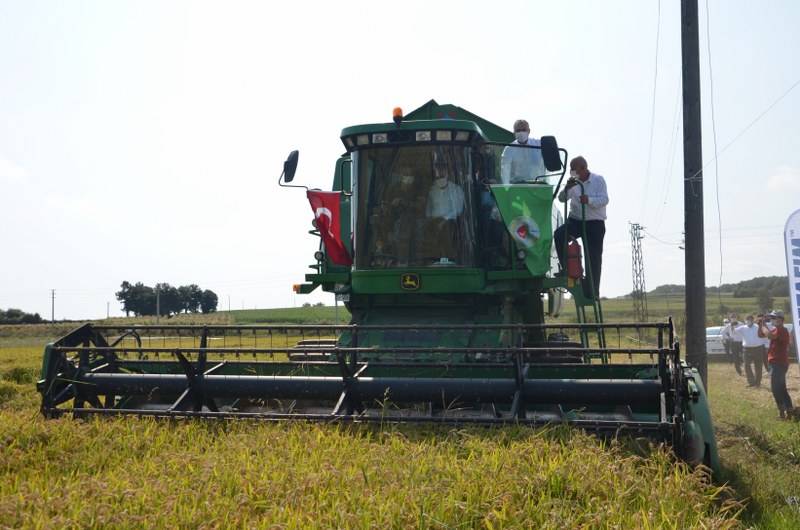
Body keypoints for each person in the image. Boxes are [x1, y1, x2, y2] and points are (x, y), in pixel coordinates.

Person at [554, 156, 608, 298]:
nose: (571, 171)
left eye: (573, 169)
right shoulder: (574, 183)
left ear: (583, 168)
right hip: (576, 221)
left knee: (594, 258)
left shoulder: (598, 180)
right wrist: (566, 188)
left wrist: (589, 200)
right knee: (560, 235)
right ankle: (567, 269)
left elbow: (604, 199)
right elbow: (561, 199)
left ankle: (592, 291)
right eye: (571, 169)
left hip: (594, 223)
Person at [424, 168, 466, 264]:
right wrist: (429, 220)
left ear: (447, 175)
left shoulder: (456, 189)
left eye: (442, 176)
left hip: (450, 221)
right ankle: (432, 259)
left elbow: (458, 210)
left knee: (446, 231)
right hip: (434, 221)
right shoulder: (432, 190)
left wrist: (444, 220)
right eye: (438, 177)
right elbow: (428, 209)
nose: (440, 179)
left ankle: (447, 258)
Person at [759, 310, 794, 419]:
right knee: (781, 388)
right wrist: (761, 324)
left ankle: (782, 412)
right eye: (772, 318)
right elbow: (761, 335)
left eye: (774, 318)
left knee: (775, 388)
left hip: (778, 363)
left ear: (781, 319)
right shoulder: (775, 329)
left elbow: (769, 335)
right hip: (777, 363)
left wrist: (764, 325)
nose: (772, 320)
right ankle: (789, 410)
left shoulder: (782, 330)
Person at [500, 119, 544, 184]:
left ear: (529, 131)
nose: (521, 133)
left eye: (524, 130)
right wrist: (507, 190)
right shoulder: (509, 149)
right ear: (514, 132)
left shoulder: (539, 145)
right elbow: (505, 171)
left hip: (537, 186)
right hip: (517, 187)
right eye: (518, 130)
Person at [737, 315, 764, 387]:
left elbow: (764, 332)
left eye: (750, 320)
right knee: (746, 365)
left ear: (753, 320)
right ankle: (751, 382)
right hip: (747, 349)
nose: (748, 321)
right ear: (745, 320)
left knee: (758, 366)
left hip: (758, 348)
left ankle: (758, 382)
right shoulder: (742, 328)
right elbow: (733, 331)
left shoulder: (758, 327)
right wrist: (732, 324)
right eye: (747, 320)